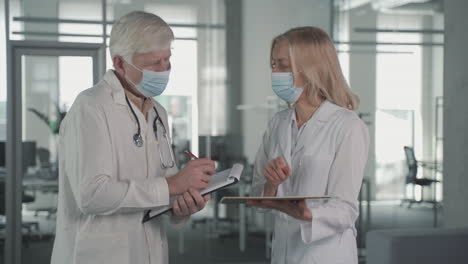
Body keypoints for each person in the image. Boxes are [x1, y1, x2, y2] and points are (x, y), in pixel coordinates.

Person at [51, 11, 215, 264]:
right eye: (153, 63)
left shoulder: (158, 112)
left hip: (150, 251)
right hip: (99, 255)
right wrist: (173, 186)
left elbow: (160, 190)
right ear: (119, 63)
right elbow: (91, 195)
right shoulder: (91, 107)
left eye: (167, 60)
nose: (164, 70)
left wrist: (182, 204)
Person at [248, 26, 369, 264]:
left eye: (283, 65)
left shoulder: (347, 126)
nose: (275, 72)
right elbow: (257, 197)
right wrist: (271, 185)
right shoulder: (278, 123)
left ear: (311, 69)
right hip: (283, 252)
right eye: (273, 64)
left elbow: (345, 208)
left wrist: (307, 213)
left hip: (326, 254)